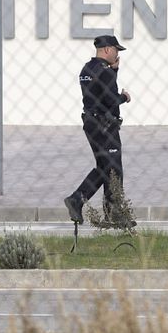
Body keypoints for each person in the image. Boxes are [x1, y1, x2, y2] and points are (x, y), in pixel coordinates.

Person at [64, 34, 132, 225]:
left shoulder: (87, 68)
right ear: (108, 49)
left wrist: (114, 71)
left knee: (104, 168)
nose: (118, 54)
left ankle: (77, 200)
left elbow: (99, 91)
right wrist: (124, 97)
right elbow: (111, 100)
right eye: (116, 50)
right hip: (105, 127)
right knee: (114, 169)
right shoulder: (106, 72)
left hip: (91, 124)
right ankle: (113, 214)